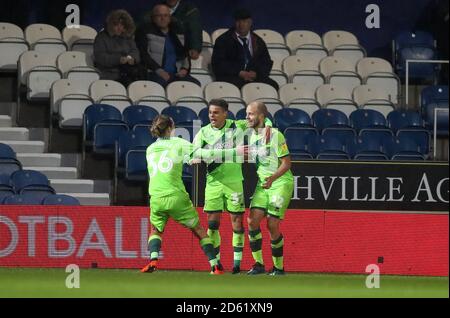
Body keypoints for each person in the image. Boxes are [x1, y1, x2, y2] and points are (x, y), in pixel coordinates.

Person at [192, 99, 272, 274]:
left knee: (237, 222)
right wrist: (230, 152)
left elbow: (260, 118)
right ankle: (217, 264)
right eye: (210, 112)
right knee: (212, 224)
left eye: (216, 112)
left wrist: (268, 126)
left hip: (234, 182)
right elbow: (196, 152)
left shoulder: (237, 126)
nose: (212, 115)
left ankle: (237, 265)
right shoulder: (203, 132)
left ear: (225, 114)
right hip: (213, 183)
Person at [140, 114, 223, 275]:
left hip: (156, 197)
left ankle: (153, 261)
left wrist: (187, 158)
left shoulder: (149, 149)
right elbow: (204, 155)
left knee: (155, 230)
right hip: (176, 196)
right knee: (198, 230)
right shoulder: (178, 142)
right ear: (171, 128)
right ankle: (215, 266)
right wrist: (234, 152)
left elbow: (168, 161)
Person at [243, 101, 294, 276]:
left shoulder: (275, 135)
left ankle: (279, 268)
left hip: (280, 182)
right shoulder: (253, 135)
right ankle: (258, 264)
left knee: (272, 224)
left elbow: (287, 163)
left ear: (262, 116)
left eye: (250, 114)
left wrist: (272, 178)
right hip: (263, 184)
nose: (247, 117)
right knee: (252, 221)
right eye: (247, 113)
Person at [211, 8, 279, 90]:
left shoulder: (258, 41)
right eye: (238, 21)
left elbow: (266, 62)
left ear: (250, 22)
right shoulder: (223, 40)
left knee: (273, 85)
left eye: (244, 21)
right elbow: (218, 63)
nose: (241, 24)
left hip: (254, 77)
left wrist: (256, 74)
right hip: (232, 76)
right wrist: (239, 72)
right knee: (243, 86)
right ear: (234, 22)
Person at [135, 4, 200, 88]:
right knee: (162, 85)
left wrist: (184, 69)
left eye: (166, 15)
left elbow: (185, 54)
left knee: (194, 84)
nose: (163, 18)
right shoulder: (144, 31)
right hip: (154, 72)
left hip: (176, 74)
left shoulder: (178, 32)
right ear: (153, 18)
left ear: (170, 17)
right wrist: (159, 71)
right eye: (159, 16)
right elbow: (143, 55)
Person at [93, 10, 143, 86]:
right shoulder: (101, 38)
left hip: (129, 73)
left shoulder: (127, 37)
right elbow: (100, 57)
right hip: (108, 74)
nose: (120, 28)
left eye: (122, 25)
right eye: (117, 25)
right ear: (110, 24)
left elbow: (135, 51)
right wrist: (118, 59)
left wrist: (132, 59)